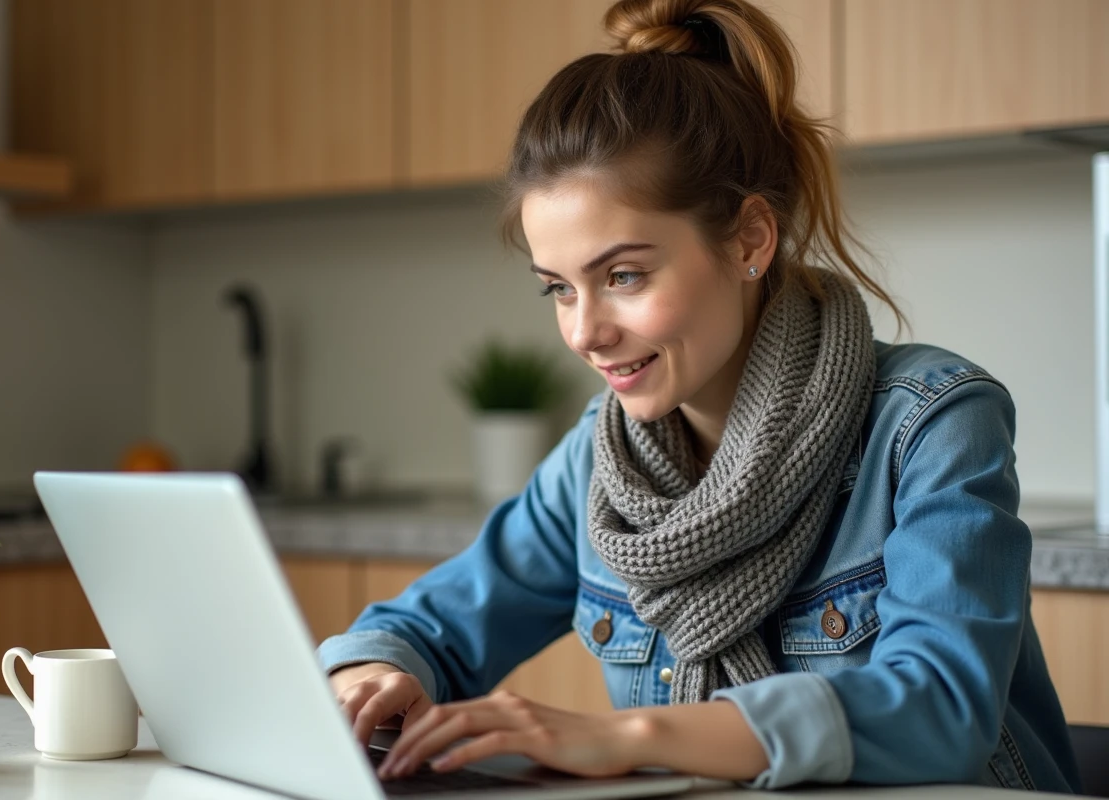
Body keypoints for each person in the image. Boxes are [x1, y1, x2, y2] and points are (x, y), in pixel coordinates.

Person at [317, 0, 1081, 791]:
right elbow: (426, 627)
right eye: (558, 289)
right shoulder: (601, 460)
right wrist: (368, 674)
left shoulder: (930, 422)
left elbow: (941, 708)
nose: (585, 333)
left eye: (623, 276)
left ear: (750, 239)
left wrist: (632, 735)